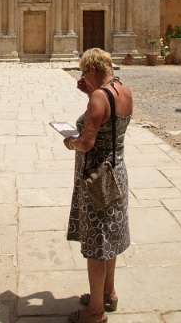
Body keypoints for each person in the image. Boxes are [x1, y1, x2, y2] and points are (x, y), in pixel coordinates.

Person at [64, 48, 132, 323]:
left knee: (96, 244)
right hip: (118, 171)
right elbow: (109, 118)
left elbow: (86, 142)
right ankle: (107, 294)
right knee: (110, 236)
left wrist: (70, 141)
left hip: (96, 177)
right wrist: (91, 93)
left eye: (84, 72)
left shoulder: (98, 98)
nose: (82, 77)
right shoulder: (123, 91)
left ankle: (95, 312)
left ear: (92, 69)